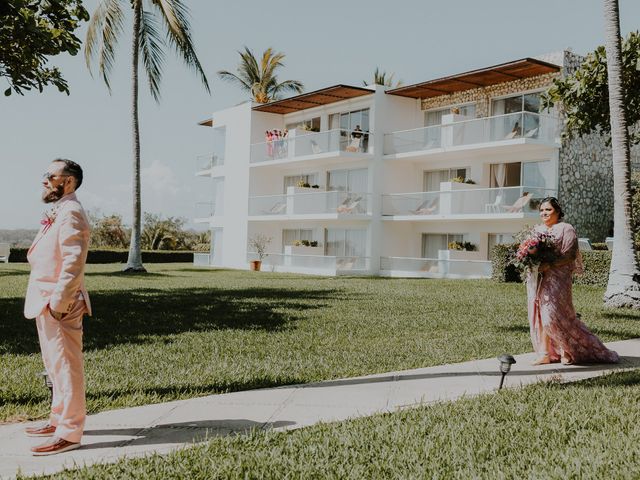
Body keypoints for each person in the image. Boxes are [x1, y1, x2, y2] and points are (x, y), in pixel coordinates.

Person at [24, 159, 92, 455]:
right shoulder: (61, 210)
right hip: (45, 300)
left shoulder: (72, 212)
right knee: (54, 365)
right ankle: (58, 418)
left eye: (50, 175)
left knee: (66, 367)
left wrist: (58, 303)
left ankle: (70, 432)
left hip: (59, 303)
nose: (45, 180)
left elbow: (73, 262)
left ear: (69, 181)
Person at [527, 197, 619, 366]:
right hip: (539, 279)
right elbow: (528, 251)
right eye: (541, 210)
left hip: (558, 279)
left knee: (554, 316)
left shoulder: (566, 229)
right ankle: (545, 353)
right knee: (541, 316)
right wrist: (530, 260)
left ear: (558, 212)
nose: (544, 213)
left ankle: (568, 350)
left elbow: (569, 255)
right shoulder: (537, 230)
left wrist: (549, 265)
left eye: (548, 210)